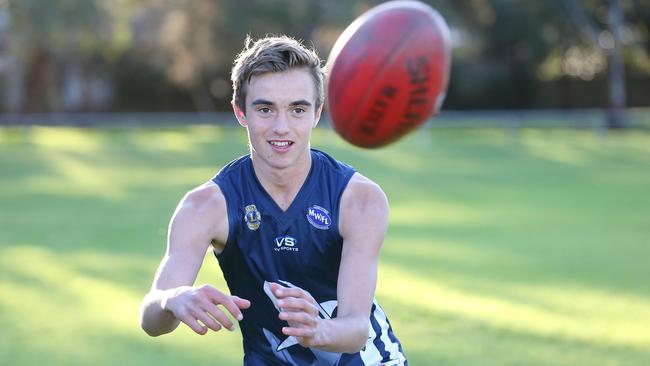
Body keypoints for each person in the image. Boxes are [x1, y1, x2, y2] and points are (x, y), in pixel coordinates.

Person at [140, 35, 407, 366]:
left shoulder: (360, 200)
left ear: (317, 113)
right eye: (265, 109)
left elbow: (355, 328)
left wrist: (317, 331)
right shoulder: (206, 207)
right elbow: (151, 320)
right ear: (241, 112)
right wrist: (173, 299)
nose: (282, 127)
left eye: (297, 109)